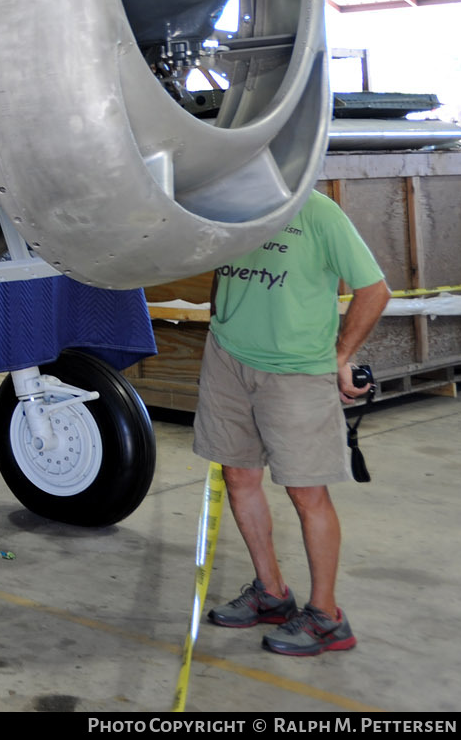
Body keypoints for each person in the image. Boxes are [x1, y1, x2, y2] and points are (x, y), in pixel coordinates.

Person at [192, 189, 390, 657]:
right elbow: (223, 271)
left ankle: (326, 617)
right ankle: (272, 593)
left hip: (296, 370)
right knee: (239, 476)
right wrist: (223, 318)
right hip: (226, 359)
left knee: (306, 492)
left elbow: (374, 290)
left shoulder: (319, 213)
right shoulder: (231, 204)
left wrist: (340, 356)